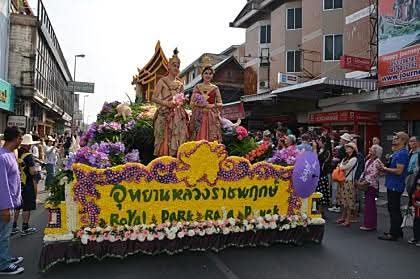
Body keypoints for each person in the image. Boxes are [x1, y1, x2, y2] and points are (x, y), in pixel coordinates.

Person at [152, 48, 189, 157]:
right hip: (165, 113)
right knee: (164, 138)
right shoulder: (162, 81)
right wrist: (166, 103)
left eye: (178, 66)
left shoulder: (180, 84)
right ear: (168, 66)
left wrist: (181, 102)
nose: (176, 68)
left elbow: (182, 99)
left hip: (178, 115)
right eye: (174, 65)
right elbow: (154, 98)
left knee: (179, 138)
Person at [0, 127, 24, 275]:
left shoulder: (9, 154)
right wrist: (4, 207)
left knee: (5, 235)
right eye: (20, 138)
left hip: (11, 203)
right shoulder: (2, 157)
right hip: (5, 205)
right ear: (15, 138)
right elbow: (2, 184)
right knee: (3, 235)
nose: (21, 141)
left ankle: (6, 257)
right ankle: (3, 264)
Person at [378, 131, 410, 241]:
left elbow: (399, 171)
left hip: (396, 184)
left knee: (394, 209)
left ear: (403, 141)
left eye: (397, 138)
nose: (394, 139)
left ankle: (394, 233)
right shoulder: (397, 152)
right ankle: (397, 231)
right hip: (391, 183)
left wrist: (385, 169)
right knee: (393, 208)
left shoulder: (402, 154)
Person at [12, 134, 40, 236]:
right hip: (27, 183)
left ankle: (13, 226)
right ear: (28, 145)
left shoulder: (15, 152)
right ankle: (25, 227)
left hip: (16, 182)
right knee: (26, 206)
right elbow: (32, 171)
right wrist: (37, 171)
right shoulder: (28, 156)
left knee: (17, 206)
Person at [189, 57, 223, 142]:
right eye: (206, 73)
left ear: (212, 75)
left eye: (210, 73)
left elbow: (220, 104)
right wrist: (200, 104)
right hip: (198, 115)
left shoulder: (215, 88)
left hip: (211, 116)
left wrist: (212, 105)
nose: (208, 75)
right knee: (197, 136)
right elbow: (191, 103)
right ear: (202, 74)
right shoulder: (197, 87)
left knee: (211, 138)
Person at [359, 144, 383, 231]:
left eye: (372, 149)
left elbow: (373, 174)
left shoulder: (377, 162)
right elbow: (365, 172)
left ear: (376, 152)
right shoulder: (368, 160)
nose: (370, 149)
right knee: (368, 204)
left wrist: (363, 182)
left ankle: (370, 224)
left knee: (370, 204)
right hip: (366, 184)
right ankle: (369, 223)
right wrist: (361, 180)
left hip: (371, 185)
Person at [336, 142, 358, 227]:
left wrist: (340, 167)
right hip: (343, 180)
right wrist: (340, 167)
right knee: (343, 201)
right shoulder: (345, 158)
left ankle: (348, 219)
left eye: (349, 147)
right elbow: (341, 166)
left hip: (348, 181)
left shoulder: (354, 159)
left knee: (348, 201)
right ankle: (343, 217)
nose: (347, 148)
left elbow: (343, 167)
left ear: (353, 149)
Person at [315, 136, 332, 210]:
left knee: (321, 194)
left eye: (319, 141)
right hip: (317, 174)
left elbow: (321, 162)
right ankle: (317, 210)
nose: (318, 142)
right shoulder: (320, 150)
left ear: (324, 142)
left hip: (322, 174)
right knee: (316, 193)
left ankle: (321, 211)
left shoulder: (327, 152)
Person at [408, 179, 420, 246]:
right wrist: (415, 204)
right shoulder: (415, 193)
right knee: (416, 225)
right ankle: (416, 238)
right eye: (418, 185)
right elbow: (413, 200)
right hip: (417, 212)